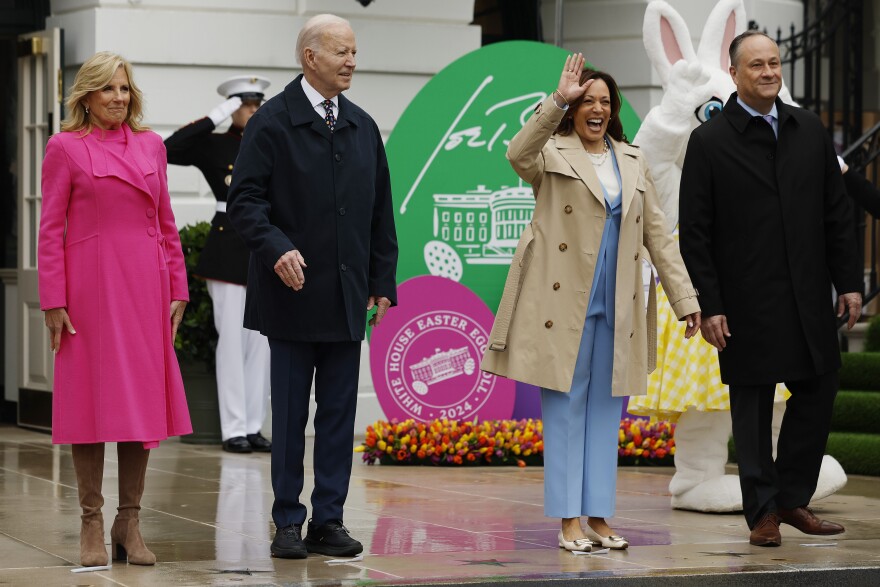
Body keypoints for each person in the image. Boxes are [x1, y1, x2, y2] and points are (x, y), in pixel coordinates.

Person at [481, 54, 701, 553]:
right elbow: (517, 152)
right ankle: (568, 522)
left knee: (606, 415)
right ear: (574, 108)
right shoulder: (551, 152)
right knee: (564, 412)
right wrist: (557, 96)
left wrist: (685, 298)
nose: (597, 108)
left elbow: (659, 235)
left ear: (614, 109)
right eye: (587, 100)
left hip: (618, 304)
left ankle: (599, 517)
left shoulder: (632, 157)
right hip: (563, 306)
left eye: (605, 101)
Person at [679, 31, 863, 547]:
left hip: (808, 294)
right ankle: (761, 512)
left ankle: (790, 498)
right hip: (745, 301)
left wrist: (848, 281)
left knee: (820, 387)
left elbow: (835, 211)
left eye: (775, 63)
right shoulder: (710, 141)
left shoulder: (808, 129)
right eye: (756, 65)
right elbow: (695, 232)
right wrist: (710, 304)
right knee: (754, 406)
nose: (769, 72)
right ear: (734, 74)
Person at [227, 14, 398, 559]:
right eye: (341, 52)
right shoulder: (273, 122)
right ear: (310, 58)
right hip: (293, 297)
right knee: (292, 414)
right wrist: (276, 248)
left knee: (339, 414)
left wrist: (381, 280)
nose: (352, 61)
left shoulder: (363, 125)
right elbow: (245, 202)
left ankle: (329, 519)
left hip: (347, 298)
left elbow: (379, 214)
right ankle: (286, 522)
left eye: (354, 51)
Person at [38, 51, 192, 567]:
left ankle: (130, 522)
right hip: (90, 291)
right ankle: (91, 523)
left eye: (125, 89)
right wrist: (53, 300)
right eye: (108, 89)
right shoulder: (64, 147)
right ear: (87, 95)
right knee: (88, 404)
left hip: (145, 287)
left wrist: (178, 287)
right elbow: (50, 229)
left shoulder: (151, 146)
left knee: (139, 405)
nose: (119, 98)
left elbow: (166, 221)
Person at [165, 75, 273, 454]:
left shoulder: (271, 142)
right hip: (228, 248)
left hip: (265, 250)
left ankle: (254, 425)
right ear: (233, 107)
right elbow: (169, 149)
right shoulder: (214, 145)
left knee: (261, 343)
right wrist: (218, 114)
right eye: (246, 105)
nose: (254, 111)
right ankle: (233, 429)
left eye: (258, 104)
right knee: (230, 339)